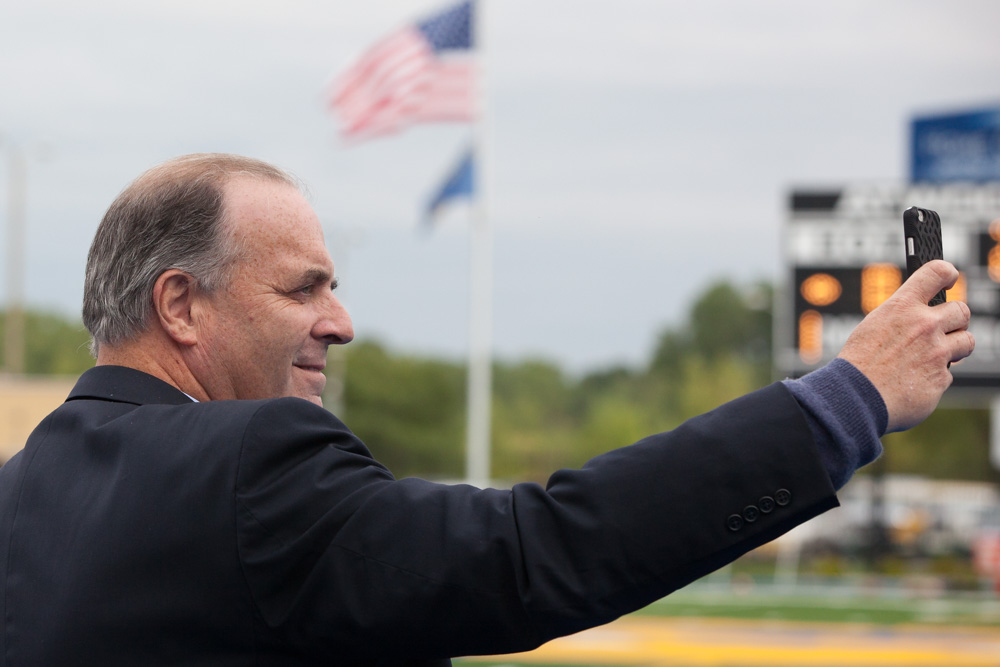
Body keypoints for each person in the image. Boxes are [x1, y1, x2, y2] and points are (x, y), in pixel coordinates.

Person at [0, 154, 973, 666]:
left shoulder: (19, 492)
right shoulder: (251, 465)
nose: (341, 322)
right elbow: (536, 550)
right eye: (304, 288)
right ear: (180, 305)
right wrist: (845, 400)